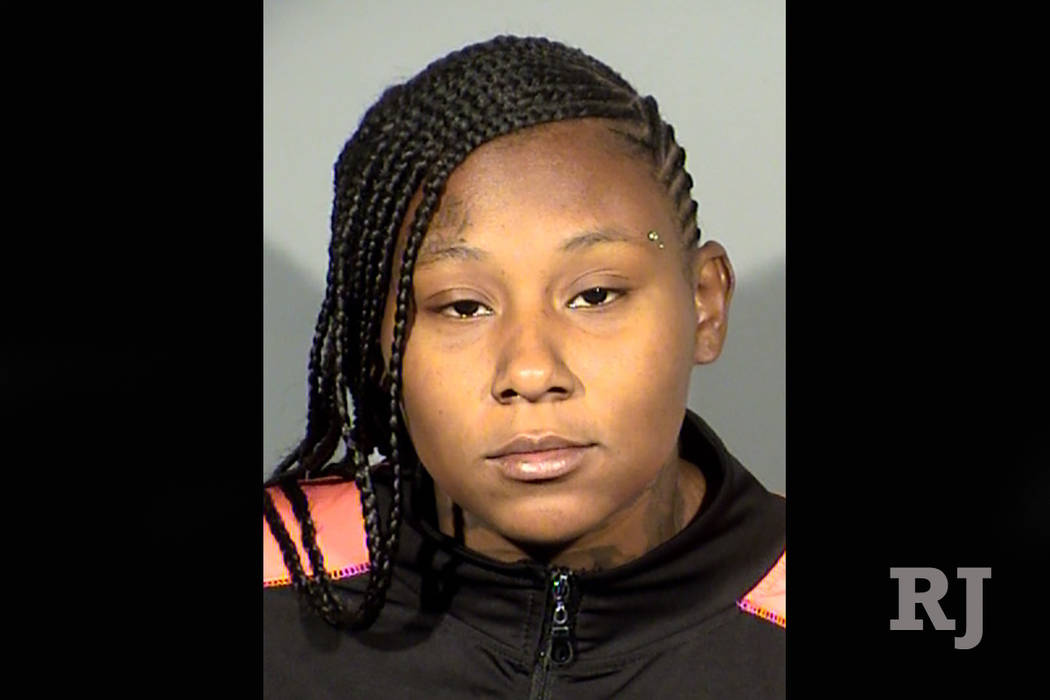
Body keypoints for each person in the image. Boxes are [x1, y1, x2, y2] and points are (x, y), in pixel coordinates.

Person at [263, 35, 784, 698]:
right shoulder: (279, 574)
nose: (532, 372)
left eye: (595, 296)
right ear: (378, 344)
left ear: (705, 304)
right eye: (463, 307)